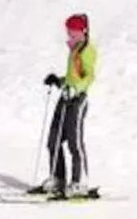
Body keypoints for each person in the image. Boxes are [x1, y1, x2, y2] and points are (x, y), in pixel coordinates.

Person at [35, 13, 97, 197]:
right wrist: (59, 81)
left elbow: (88, 77)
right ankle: (58, 178)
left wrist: (75, 89)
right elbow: (72, 77)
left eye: (72, 33)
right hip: (66, 97)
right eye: (68, 33)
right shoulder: (74, 49)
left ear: (82, 31)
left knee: (74, 142)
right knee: (53, 140)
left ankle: (80, 181)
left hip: (78, 100)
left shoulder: (87, 50)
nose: (69, 36)